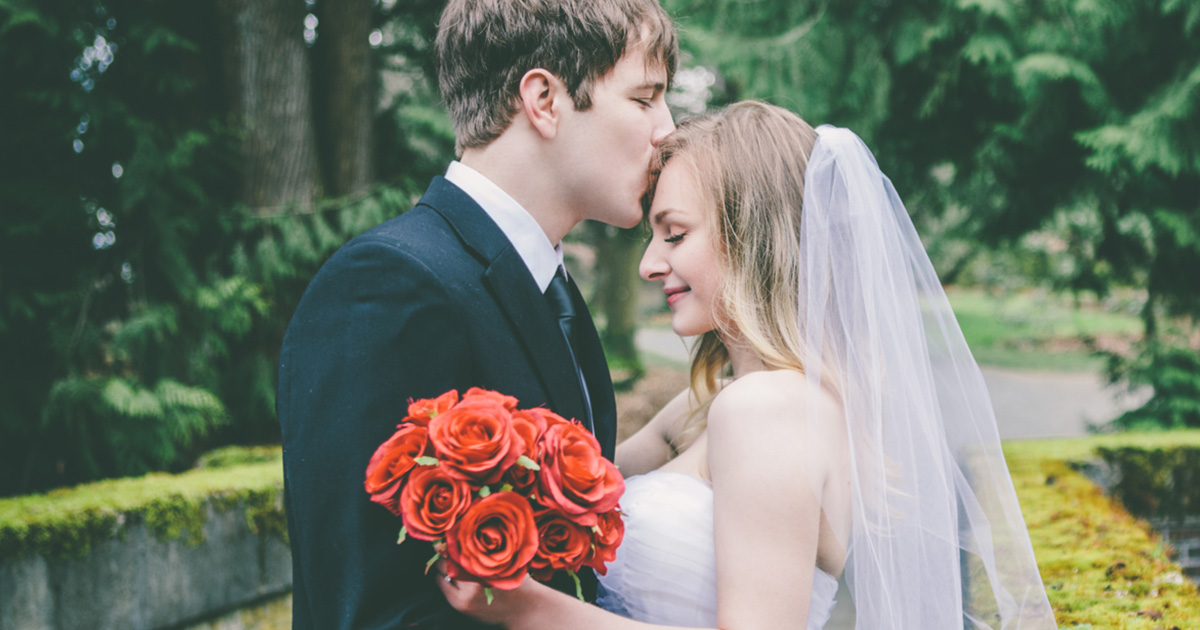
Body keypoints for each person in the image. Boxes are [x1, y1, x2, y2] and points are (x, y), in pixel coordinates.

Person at [436, 101, 1059, 628]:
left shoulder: (765, 410)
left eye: (675, 234)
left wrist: (527, 609)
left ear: (754, 237)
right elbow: (573, 483)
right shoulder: (703, 408)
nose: (650, 264)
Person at [276, 1, 677, 628]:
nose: (667, 130)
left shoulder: (552, 292)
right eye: (646, 98)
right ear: (544, 99)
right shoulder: (386, 286)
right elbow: (374, 611)